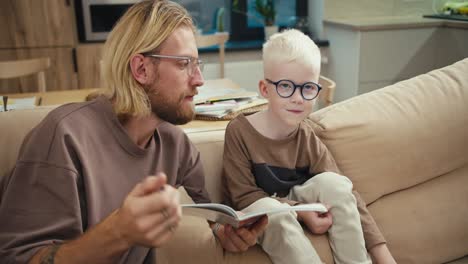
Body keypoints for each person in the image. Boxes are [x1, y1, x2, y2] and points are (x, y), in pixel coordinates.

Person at [0, 1, 267, 263]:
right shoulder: (63, 137)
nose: (199, 80)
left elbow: (212, 218)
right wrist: (118, 232)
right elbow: (20, 257)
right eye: (185, 64)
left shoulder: (176, 146)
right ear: (141, 69)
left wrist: (224, 232)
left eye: (198, 64)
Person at [221, 29, 397, 264]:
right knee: (270, 209)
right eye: (286, 86)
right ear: (265, 89)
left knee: (335, 183)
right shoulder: (239, 131)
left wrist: (382, 253)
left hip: (297, 199)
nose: (298, 98)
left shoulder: (306, 135)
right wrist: (298, 212)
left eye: (308, 88)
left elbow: (346, 194)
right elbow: (244, 198)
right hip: (263, 211)